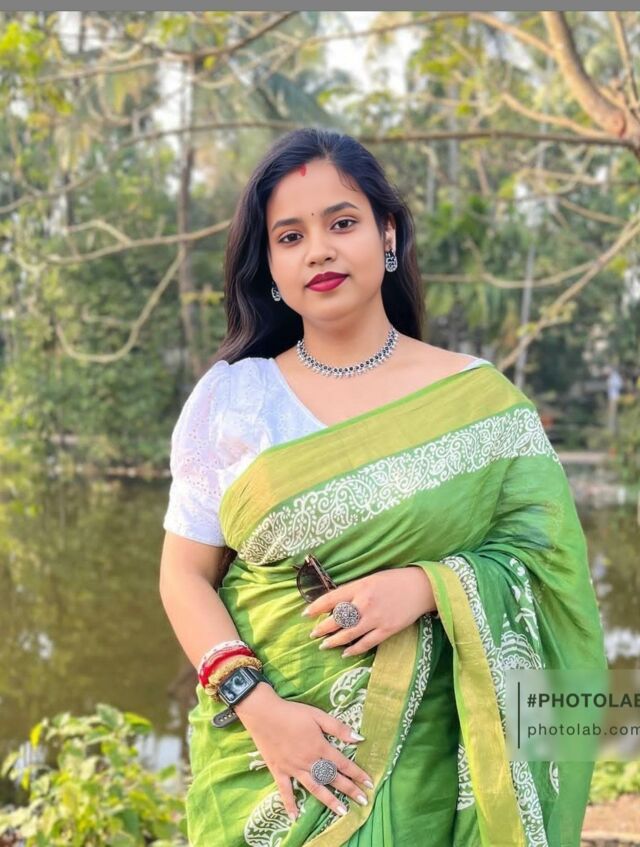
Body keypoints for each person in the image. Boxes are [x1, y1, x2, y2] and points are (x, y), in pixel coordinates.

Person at [159, 128, 607, 847]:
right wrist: (259, 708)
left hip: (438, 769)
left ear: (387, 233)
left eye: (342, 223)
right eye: (290, 236)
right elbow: (184, 576)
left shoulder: (478, 401)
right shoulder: (234, 400)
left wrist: (429, 586)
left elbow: (550, 569)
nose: (319, 250)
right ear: (269, 264)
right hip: (264, 760)